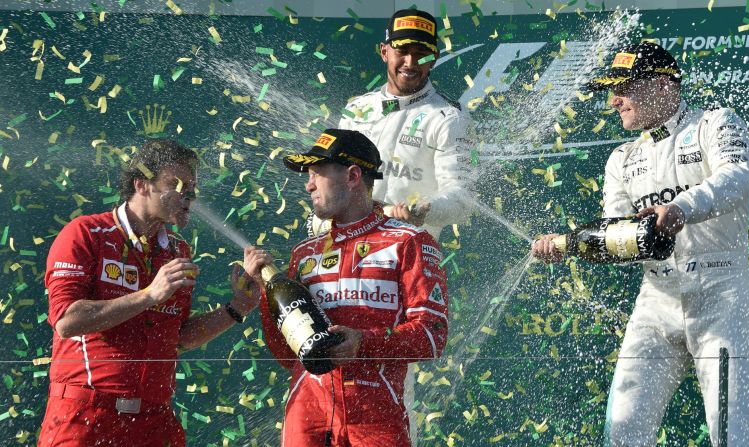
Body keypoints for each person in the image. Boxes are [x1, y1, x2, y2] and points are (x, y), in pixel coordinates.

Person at [532, 42, 749, 446]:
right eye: (611, 89)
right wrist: (567, 245)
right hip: (656, 300)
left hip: (721, 294)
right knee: (623, 432)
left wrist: (680, 209)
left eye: (623, 88)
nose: (613, 100)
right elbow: (614, 235)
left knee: (733, 434)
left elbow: (737, 177)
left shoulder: (714, 123)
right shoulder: (621, 158)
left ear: (660, 85)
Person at [39, 139, 263, 447]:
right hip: (86, 416)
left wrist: (236, 308)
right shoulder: (86, 233)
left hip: (154, 421)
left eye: (193, 188)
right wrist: (149, 294)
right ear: (142, 184)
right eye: (177, 184)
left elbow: (179, 338)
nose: (189, 195)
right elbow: (66, 320)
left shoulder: (177, 251)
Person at [245, 128, 449, 446]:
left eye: (317, 175)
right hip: (306, 418)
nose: (309, 185)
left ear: (353, 176)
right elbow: (288, 355)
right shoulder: (304, 253)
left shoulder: (408, 242)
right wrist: (263, 292)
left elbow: (432, 337)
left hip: (375, 419)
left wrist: (363, 343)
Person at [320, 8, 472, 241]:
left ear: (434, 59)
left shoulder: (449, 117)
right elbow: (333, 183)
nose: (410, 62)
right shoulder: (356, 110)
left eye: (421, 53)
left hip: (407, 255)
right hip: (347, 247)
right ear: (384, 52)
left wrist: (425, 208)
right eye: (402, 51)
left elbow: (461, 203)